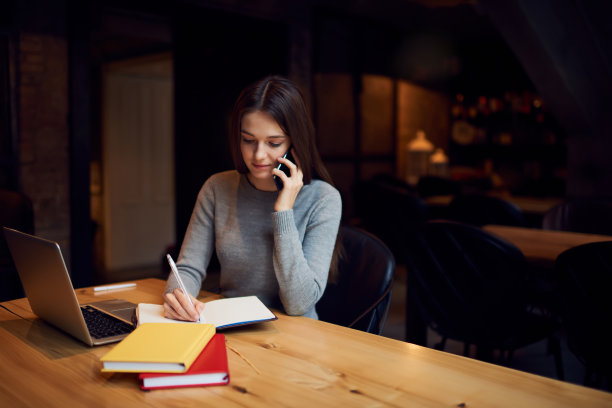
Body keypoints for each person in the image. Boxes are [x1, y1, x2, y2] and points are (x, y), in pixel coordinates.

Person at [163, 75, 342, 321]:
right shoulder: (217, 188)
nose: (258, 155)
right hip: (233, 326)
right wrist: (177, 297)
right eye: (248, 140)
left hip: (298, 339)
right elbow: (188, 268)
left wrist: (284, 212)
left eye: (274, 143)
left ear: (295, 142)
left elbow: (299, 304)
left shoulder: (324, 199)